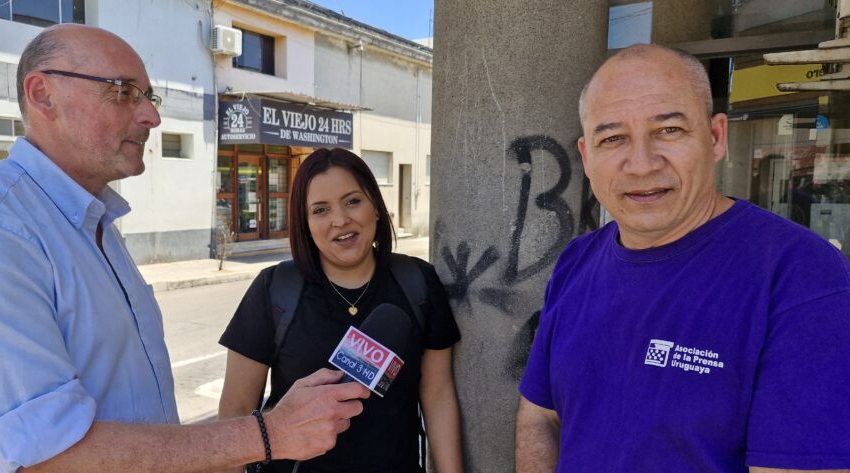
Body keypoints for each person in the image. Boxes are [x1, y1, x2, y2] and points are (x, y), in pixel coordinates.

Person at [0, 24, 368, 473]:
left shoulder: (87, 222)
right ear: (43, 94)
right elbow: (50, 456)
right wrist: (269, 434)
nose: (152, 116)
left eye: (149, 96)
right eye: (122, 92)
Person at [515, 43, 850, 473]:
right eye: (613, 138)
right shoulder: (577, 261)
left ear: (715, 138)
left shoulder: (801, 275)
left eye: (668, 131)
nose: (641, 164)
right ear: (586, 156)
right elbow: (539, 415)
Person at [217, 148, 464, 473]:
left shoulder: (418, 283)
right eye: (320, 210)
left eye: (352, 201)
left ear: (375, 206)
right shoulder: (274, 290)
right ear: (305, 223)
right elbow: (236, 409)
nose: (340, 220)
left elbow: (438, 395)